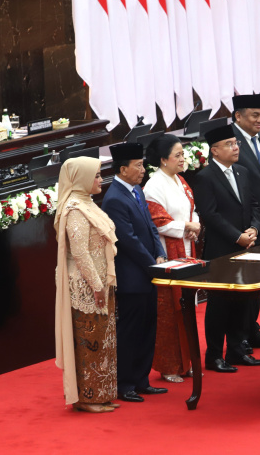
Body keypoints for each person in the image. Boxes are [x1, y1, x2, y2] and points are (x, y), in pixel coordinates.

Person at [101, 142, 168, 403]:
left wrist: (160, 254)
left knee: (148, 328)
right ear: (122, 169)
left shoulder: (136, 189)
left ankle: (142, 380)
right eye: (138, 166)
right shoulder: (114, 198)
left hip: (148, 271)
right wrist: (153, 263)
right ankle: (124, 383)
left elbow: (150, 226)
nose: (143, 170)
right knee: (130, 331)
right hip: (132, 277)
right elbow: (128, 240)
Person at [193, 124, 260, 373]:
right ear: (215, 150)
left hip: (247, 247)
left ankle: (236, 349)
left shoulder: (242, 172)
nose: (236, 148)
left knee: (242, 301)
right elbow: (209, 215)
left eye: (236, 143)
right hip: (222, 250)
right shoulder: (204, 177)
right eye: (230, 144)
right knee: (220, 304)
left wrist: (254, 229)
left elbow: (254, 205)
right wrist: (237, 237)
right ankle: (213, 355)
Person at [54, 156, 120, 414]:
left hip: (101, 282)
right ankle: (87, 398)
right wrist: (96, 285)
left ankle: (102, 394)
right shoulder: (74, 210)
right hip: (87, 286)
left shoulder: (87, 203)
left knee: (105, 340)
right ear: (81, 178)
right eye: (96, 175)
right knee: (89, 341)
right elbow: (80, 253)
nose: (100, 179)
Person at [143, 134, 200, 383]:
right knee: (170, 310)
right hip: (169, 253)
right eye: (177, 155)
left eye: (182, 154)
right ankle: (168, 365)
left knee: (187, 307)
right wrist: (187, 226)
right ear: (163, 159)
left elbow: (191, 208)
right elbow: (158, 221)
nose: (182, 159)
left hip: (187, 247)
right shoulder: (154, 185)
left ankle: (186, 361)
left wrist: (194, 224)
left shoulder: (179, 179)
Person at [230, 93, 260, 352]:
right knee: (245, 283)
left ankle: (252, 329)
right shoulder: (229, 142)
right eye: (255, 115)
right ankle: (240, 336)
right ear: (238, 116)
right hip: (245, 226)